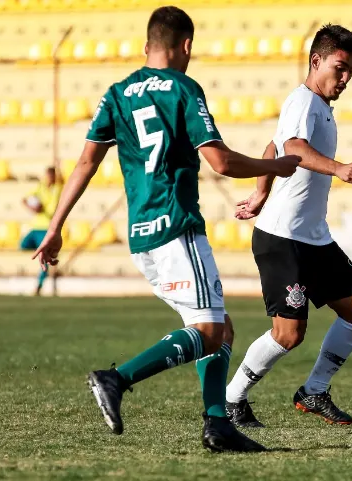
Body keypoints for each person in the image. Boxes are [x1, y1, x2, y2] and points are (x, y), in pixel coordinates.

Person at [32, 6, 300, 452]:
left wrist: (55, 226)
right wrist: (277, 165)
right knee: (211, 331)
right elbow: (221, 161)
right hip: (177, 225)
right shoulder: (182, 88)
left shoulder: (116, 93)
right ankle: (115, 379)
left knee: (220, 327)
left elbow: (85, 162)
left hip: (142, 235)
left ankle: (218, 424)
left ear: (146, 46)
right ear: (187, 46)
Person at [225, 24, 352, 428]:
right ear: (316, 61)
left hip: (313, 237)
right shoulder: (304, 101)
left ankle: (314, 391)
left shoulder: (319, 107)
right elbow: (293, 148)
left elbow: (273, 147)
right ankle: (231, 399)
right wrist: (340, 167)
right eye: (339, 68)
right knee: (289, 334)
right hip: (282, 238)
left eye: (350, 73)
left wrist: (260, 192)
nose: (344, 79)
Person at [21, 166, 61, 296]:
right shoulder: (41, 187)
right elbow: (25, 199)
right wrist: (33, 208)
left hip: (47, 228)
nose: (49, 179)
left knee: (45, 259)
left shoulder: (58, 189)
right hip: (36, 227)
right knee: (22, 245)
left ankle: (39, 284)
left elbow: (53, 208)